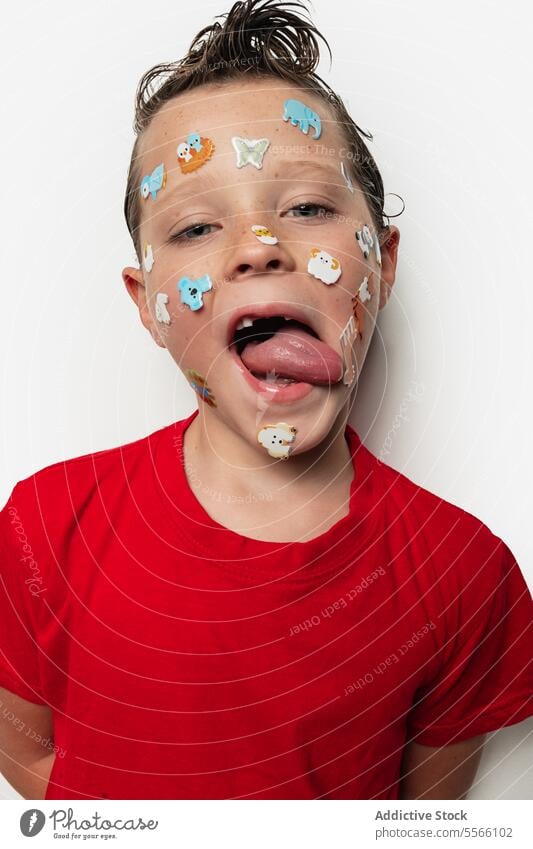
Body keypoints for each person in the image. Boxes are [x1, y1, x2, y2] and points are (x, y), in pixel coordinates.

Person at [0, 0, 531, 801]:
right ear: (147, 305)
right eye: (195, 227)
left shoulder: (463, 573)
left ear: (381, 265)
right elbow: (33, 764)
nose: (257, 247)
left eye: (308, 209)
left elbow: (423, 824)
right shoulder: (43, 527)